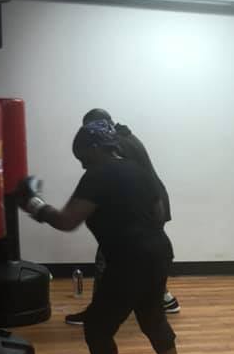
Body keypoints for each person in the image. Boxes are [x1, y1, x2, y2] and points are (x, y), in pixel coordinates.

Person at [17, 119, 190, 354]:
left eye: (82, 155)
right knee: (152, 316)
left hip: (129, 259)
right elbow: (159, 213)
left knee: (97, 327)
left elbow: (67, 221)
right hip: (159, 252)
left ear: (96, 147)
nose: (82, 163)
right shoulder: (139, 169)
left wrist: (34, 203)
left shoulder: (98, 175)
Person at [64, 107, 180, 324]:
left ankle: (98, 311)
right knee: (147, 256)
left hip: (147, 206)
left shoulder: (116, 145)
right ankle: (165, 299)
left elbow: (116, 180)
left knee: (107, 259)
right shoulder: (126, 137)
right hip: (154, 203)